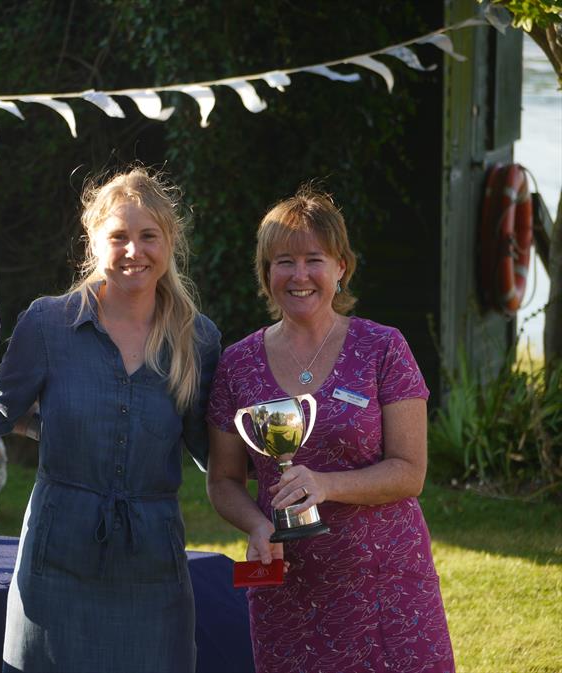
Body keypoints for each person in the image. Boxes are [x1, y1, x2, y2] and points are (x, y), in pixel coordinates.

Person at [206, 186, 455, 673]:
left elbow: (410, 472)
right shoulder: (237, 365)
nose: (300, 275)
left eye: (313, 259)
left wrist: (325, 486)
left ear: (341, 267)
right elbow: (222, 481)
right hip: (289, 593)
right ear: (266, 273)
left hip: (386, 586)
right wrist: (259, 526)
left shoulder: (384, 348)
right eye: (284, 262)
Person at [0, 167, 221, 673]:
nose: (134, 251)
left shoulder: (198, 338)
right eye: (118, 237)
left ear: (170, 241)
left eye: (148, 236)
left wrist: (286, 462)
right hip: (56, 563)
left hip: (154, 568)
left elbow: (212, 451)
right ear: (93, 242)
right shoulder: (48, 323)